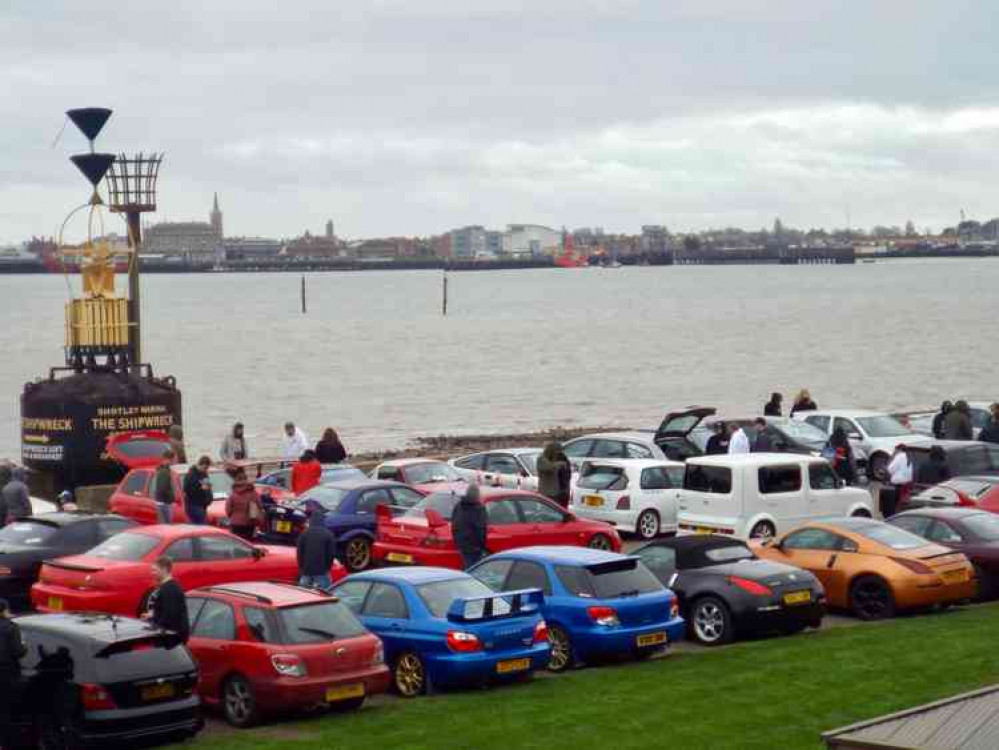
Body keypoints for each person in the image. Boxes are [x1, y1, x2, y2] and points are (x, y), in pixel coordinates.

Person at [143, 557, 189, 642]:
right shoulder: (168, 587)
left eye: (155, 570)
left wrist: (154, 627)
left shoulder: (169, 589)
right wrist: (153, 615)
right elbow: (168, 610)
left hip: (171, 641)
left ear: (164, 569)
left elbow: (169, 616)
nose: (152, 573)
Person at [0, 597, 25, 750]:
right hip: (6, 674)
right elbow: (18, 652)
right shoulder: (11, 627)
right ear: (4, 610)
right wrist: (25, 646)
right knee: (5, 710)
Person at [451, 485, 489, 569]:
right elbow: (481, 528)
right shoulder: (479, 508)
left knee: (468, 565)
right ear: (477, 495)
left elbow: (454, 523)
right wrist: (482, 545)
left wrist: (457, 540)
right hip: (475, 545)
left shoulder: (459, 505)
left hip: (462, 543)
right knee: (475, 568)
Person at [296, 513, 336, 591]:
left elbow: (299, 553)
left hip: (306, 571)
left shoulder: (304, 534)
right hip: (321, 570)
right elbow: (331, 554)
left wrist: (302, 568)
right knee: (326, 593)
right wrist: (327, 568)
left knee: (302, 593)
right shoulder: (328, 534)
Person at [225, 468, 263, 540]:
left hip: (235, 523)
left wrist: (233, 516)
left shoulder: (233, 494)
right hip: (249, 523)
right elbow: (259, 506)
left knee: (236, 543)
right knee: (248, 544)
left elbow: (228, 510)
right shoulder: (253, 493)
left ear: (236, 481)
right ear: (246, 480)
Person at [182, 456, 213, 524]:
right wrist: (200, 487)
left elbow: (207, 487)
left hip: (203, 505)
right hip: (194, 505)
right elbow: (186, 490)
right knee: (201, 526)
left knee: (203, 526)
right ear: (201, 464)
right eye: (205, 467)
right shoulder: (191, 475)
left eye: (207, 468)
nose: (206, 469)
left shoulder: (204, 474)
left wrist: (209, 492)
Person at [886, 444, 914, 516]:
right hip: (906, 484)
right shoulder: (909, 457)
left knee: (893, 506)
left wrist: (892, 458)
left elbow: (890, 469)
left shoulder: (899, 456)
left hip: (897, 484)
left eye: (895, 450)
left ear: (898, 450)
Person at [154, 450, 176, 524]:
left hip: (163, 502)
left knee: (165, 526)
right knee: (166, 527)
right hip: (164, 503)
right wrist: (171, 498)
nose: (175, 461)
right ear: (169, 459)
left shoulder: (164, 470)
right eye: (174, 459)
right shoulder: (164, 471)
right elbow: (163, 488)